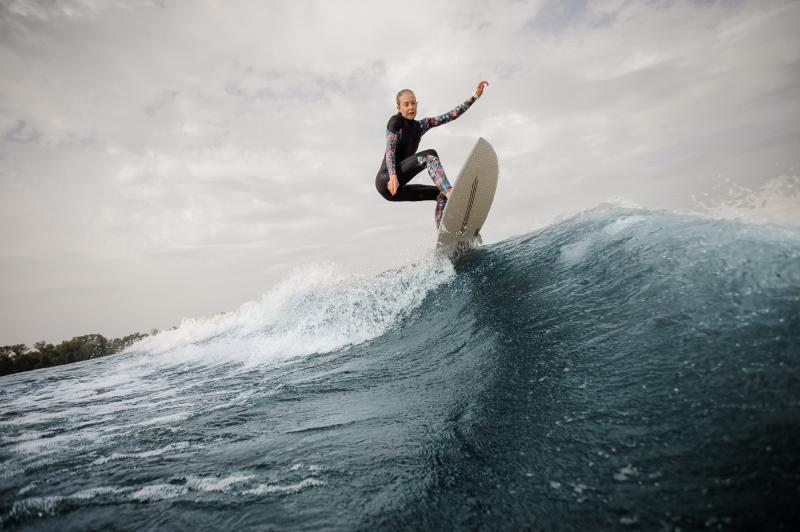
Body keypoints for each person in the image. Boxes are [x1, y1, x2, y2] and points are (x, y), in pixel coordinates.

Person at [375, 80, 489, 228]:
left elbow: (451, 115)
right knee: (430, 155)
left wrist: (475, 96)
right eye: (406, 104)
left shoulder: (421, 126)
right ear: (399, 107)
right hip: (386, 181)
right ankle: (450, 192)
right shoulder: (395, 122)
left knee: (439, 195)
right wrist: (393, 176)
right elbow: (390, 149)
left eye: (413, 103)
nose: (411, 107)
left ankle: (444, 231)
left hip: (398, 186)